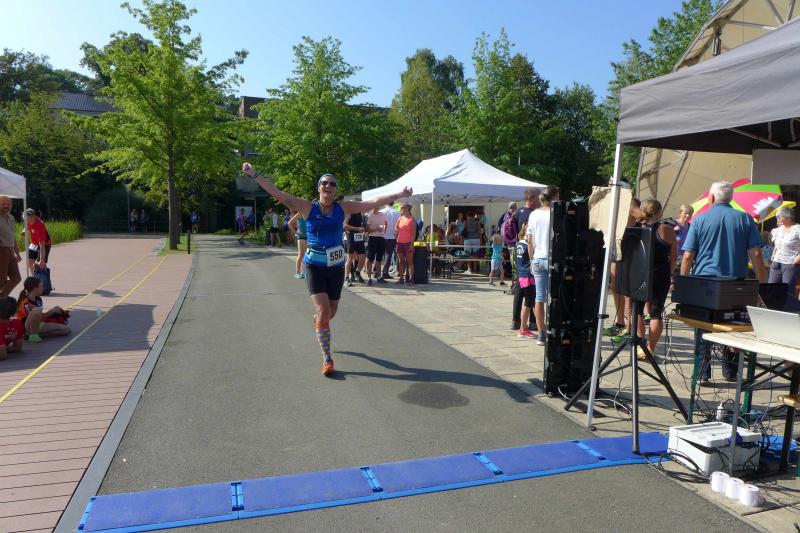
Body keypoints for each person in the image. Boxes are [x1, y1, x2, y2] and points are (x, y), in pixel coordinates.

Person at [242, 163, 411, 376]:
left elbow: (372, 202)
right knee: (323, 311)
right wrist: (253, 173)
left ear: (335, 189)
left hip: (336, 267)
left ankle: (319, 322)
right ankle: (327, 358)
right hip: (314, 265)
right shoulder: (307, 207)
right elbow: (278, 193)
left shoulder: (343, 208)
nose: (328, 186)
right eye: (324, 183)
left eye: (332, 184)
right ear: (319, 187)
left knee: (331, 312)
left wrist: (400, 194)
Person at [681, 181, 766, 383]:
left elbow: (688, 255)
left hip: (705, 281)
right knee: (732, 325)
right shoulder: (745, 218)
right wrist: (762, 285)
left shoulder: (700, 219)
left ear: (711, 198)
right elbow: (756, 254)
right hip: (736, 283)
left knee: (703, 326)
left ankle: (702, 373)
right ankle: (731, 372)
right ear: (731, 198)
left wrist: (683, 283)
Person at [632, 199, 676, 359]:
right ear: (659, 212)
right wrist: (669, 273)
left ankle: (640, 345)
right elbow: (673, 257)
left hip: (640, 273)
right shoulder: (668, 229)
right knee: (656, 313)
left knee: (636, 310)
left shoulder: (636, 229)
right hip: (660, 273)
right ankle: (651, 348)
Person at [527, 186, 559, 346]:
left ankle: (541, 334)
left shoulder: (534, 214)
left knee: (539, 297)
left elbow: (529, 241)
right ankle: (555, 331)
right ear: (555, 197)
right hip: (554, 258)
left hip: (538, 258)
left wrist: (531, 260)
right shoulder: (556, 213)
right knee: (556, 296)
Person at [16, 276, 70, 342]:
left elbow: (39, 317)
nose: (43, 288)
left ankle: (36, 335)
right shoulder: (25, 303)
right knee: (36, 310)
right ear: (35, 288)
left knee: (65, 329)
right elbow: (34, 319)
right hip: (27, 327)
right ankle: (33, 335)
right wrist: (51, 311)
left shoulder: (38, 299)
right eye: (41, 286)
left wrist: (54, 313)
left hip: (38, 324)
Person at [768, 207, 800, 296]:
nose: (778, 219)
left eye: (780, 217)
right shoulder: (778, 230)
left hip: (790, 264)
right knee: (771, 290)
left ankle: (789, 306)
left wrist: (798, 258)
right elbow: (776, 246)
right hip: (776, 263)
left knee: (787, 292)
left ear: (788, 217)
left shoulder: (797, 229)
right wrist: (772, 258)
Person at [515, 223, 536, 339]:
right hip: (528, 276)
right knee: (528, 303)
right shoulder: (528, 245)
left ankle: (523, 328)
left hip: (522, 275)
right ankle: (523, 329)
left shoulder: (519, 244)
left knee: (529, 302)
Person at [0, 196, 22, 298]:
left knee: (16, 278)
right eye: (3, 204)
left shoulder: (11, 218)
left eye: (8, 204)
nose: (6, 206)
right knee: (1, 280)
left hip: (10, 250)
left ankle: (2, 298)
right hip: (1, 250)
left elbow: (12, 237)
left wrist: (17, 253)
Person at [365, 206, 388, 286]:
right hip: (372, 238)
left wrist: (384, 230)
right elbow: (367, 230)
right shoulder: (370, 215)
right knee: (370, 258)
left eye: (379, 206)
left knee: (379, 259)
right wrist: (376, 229)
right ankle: (369, 278)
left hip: (381, 238)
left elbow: (385, 224)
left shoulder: (383, 214)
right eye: (376, 206)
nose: (377, 207)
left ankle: (379, 276)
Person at [24, 209, 51, 273]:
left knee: (40, 264)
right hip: (34, 244)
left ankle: (43, 278)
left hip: (44, 245)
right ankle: (34, 277)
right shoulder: (28, 221)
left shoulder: (39, 226)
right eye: (24, 217)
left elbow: (42, 244)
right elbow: (27, 226)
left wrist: (42, 259)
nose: (25, 220)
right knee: (29, 261)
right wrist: (24, 230)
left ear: (33, 217)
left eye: (27, 218)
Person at [395, 203, 416, 285]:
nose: (401, 209)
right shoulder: (400, 218)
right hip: (399, 242)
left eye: (403, 207)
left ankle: (411, 279)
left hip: (408, 243)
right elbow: (396, 227)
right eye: (401, 208)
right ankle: (401, 278)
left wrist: (411, 244)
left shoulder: (412, 219)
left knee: (409, 262)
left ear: (407, 208)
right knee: (401, 262)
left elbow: (413, 233)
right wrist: (396, 232)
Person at [344, 209, 367, 286]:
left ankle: (357, 272)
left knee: (362, 258)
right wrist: (357, 229)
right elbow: (345, 225)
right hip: (351, 237)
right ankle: (347, 278)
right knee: (349, 259)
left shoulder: (361, 213)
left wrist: (363, 229)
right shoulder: (349, 213)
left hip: (359, 237)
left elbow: (363, 225)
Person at [380, 203, 401, 279]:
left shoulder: (382, 211)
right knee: (388, 255)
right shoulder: (397, 213)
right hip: (392, 236)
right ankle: (385, 272)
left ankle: (376, 271)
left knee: (379, 254)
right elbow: (399, 225)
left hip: (381, 235)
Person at [0, 296, 23, 361]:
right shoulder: (16, 323)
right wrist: (6, 348)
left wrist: (3, 349)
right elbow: (18, 347)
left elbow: (2, 355)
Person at [673, 204, 694, 273]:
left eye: (690, 214)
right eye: (685, 213)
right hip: (673, 260)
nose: (688, 215)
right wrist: (672, 231)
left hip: (686, 260)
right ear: (680, 213)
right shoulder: (672, 224)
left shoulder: (691, 227)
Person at [289, 211, 307, 279]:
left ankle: (303, 272)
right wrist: (296, 232)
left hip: (308, 236)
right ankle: (297, 272)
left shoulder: (308, 212)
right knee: (301, 254)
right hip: (301, 236)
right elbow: (290, 223)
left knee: (306, 255)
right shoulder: (300, 213)